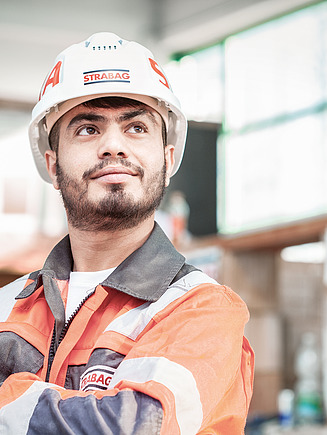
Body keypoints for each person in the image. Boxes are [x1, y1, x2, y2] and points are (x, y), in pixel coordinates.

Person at [0, 32, 254, 434]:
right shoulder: (6, 308)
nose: (113, 146)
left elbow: (132, 427)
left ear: (168, 159)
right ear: (52, 164)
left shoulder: (203, 310)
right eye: (87, 129)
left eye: (136, 127)